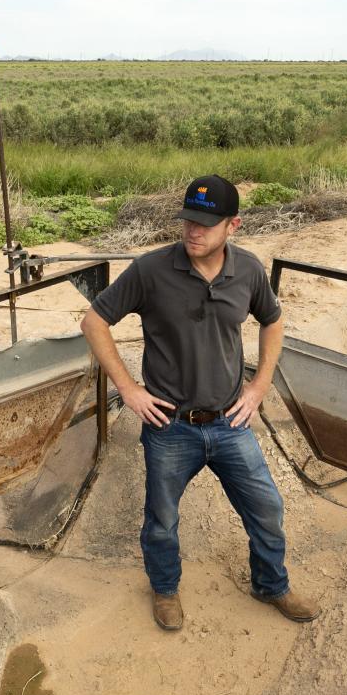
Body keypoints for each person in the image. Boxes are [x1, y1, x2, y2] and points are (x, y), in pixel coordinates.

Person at [80, 174, 320, 631]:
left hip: (230, 422)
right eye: (188, 220)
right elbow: (94, 321)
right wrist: (130, 389)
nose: (193, 231)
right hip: (170, 426)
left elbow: (273, 321)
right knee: (162, 520)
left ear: (234, 225)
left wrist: (259, 386)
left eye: (206, 224)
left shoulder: (248, 270)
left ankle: (271, 586)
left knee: (267, 508)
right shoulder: (151, 271)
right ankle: (165, 589)